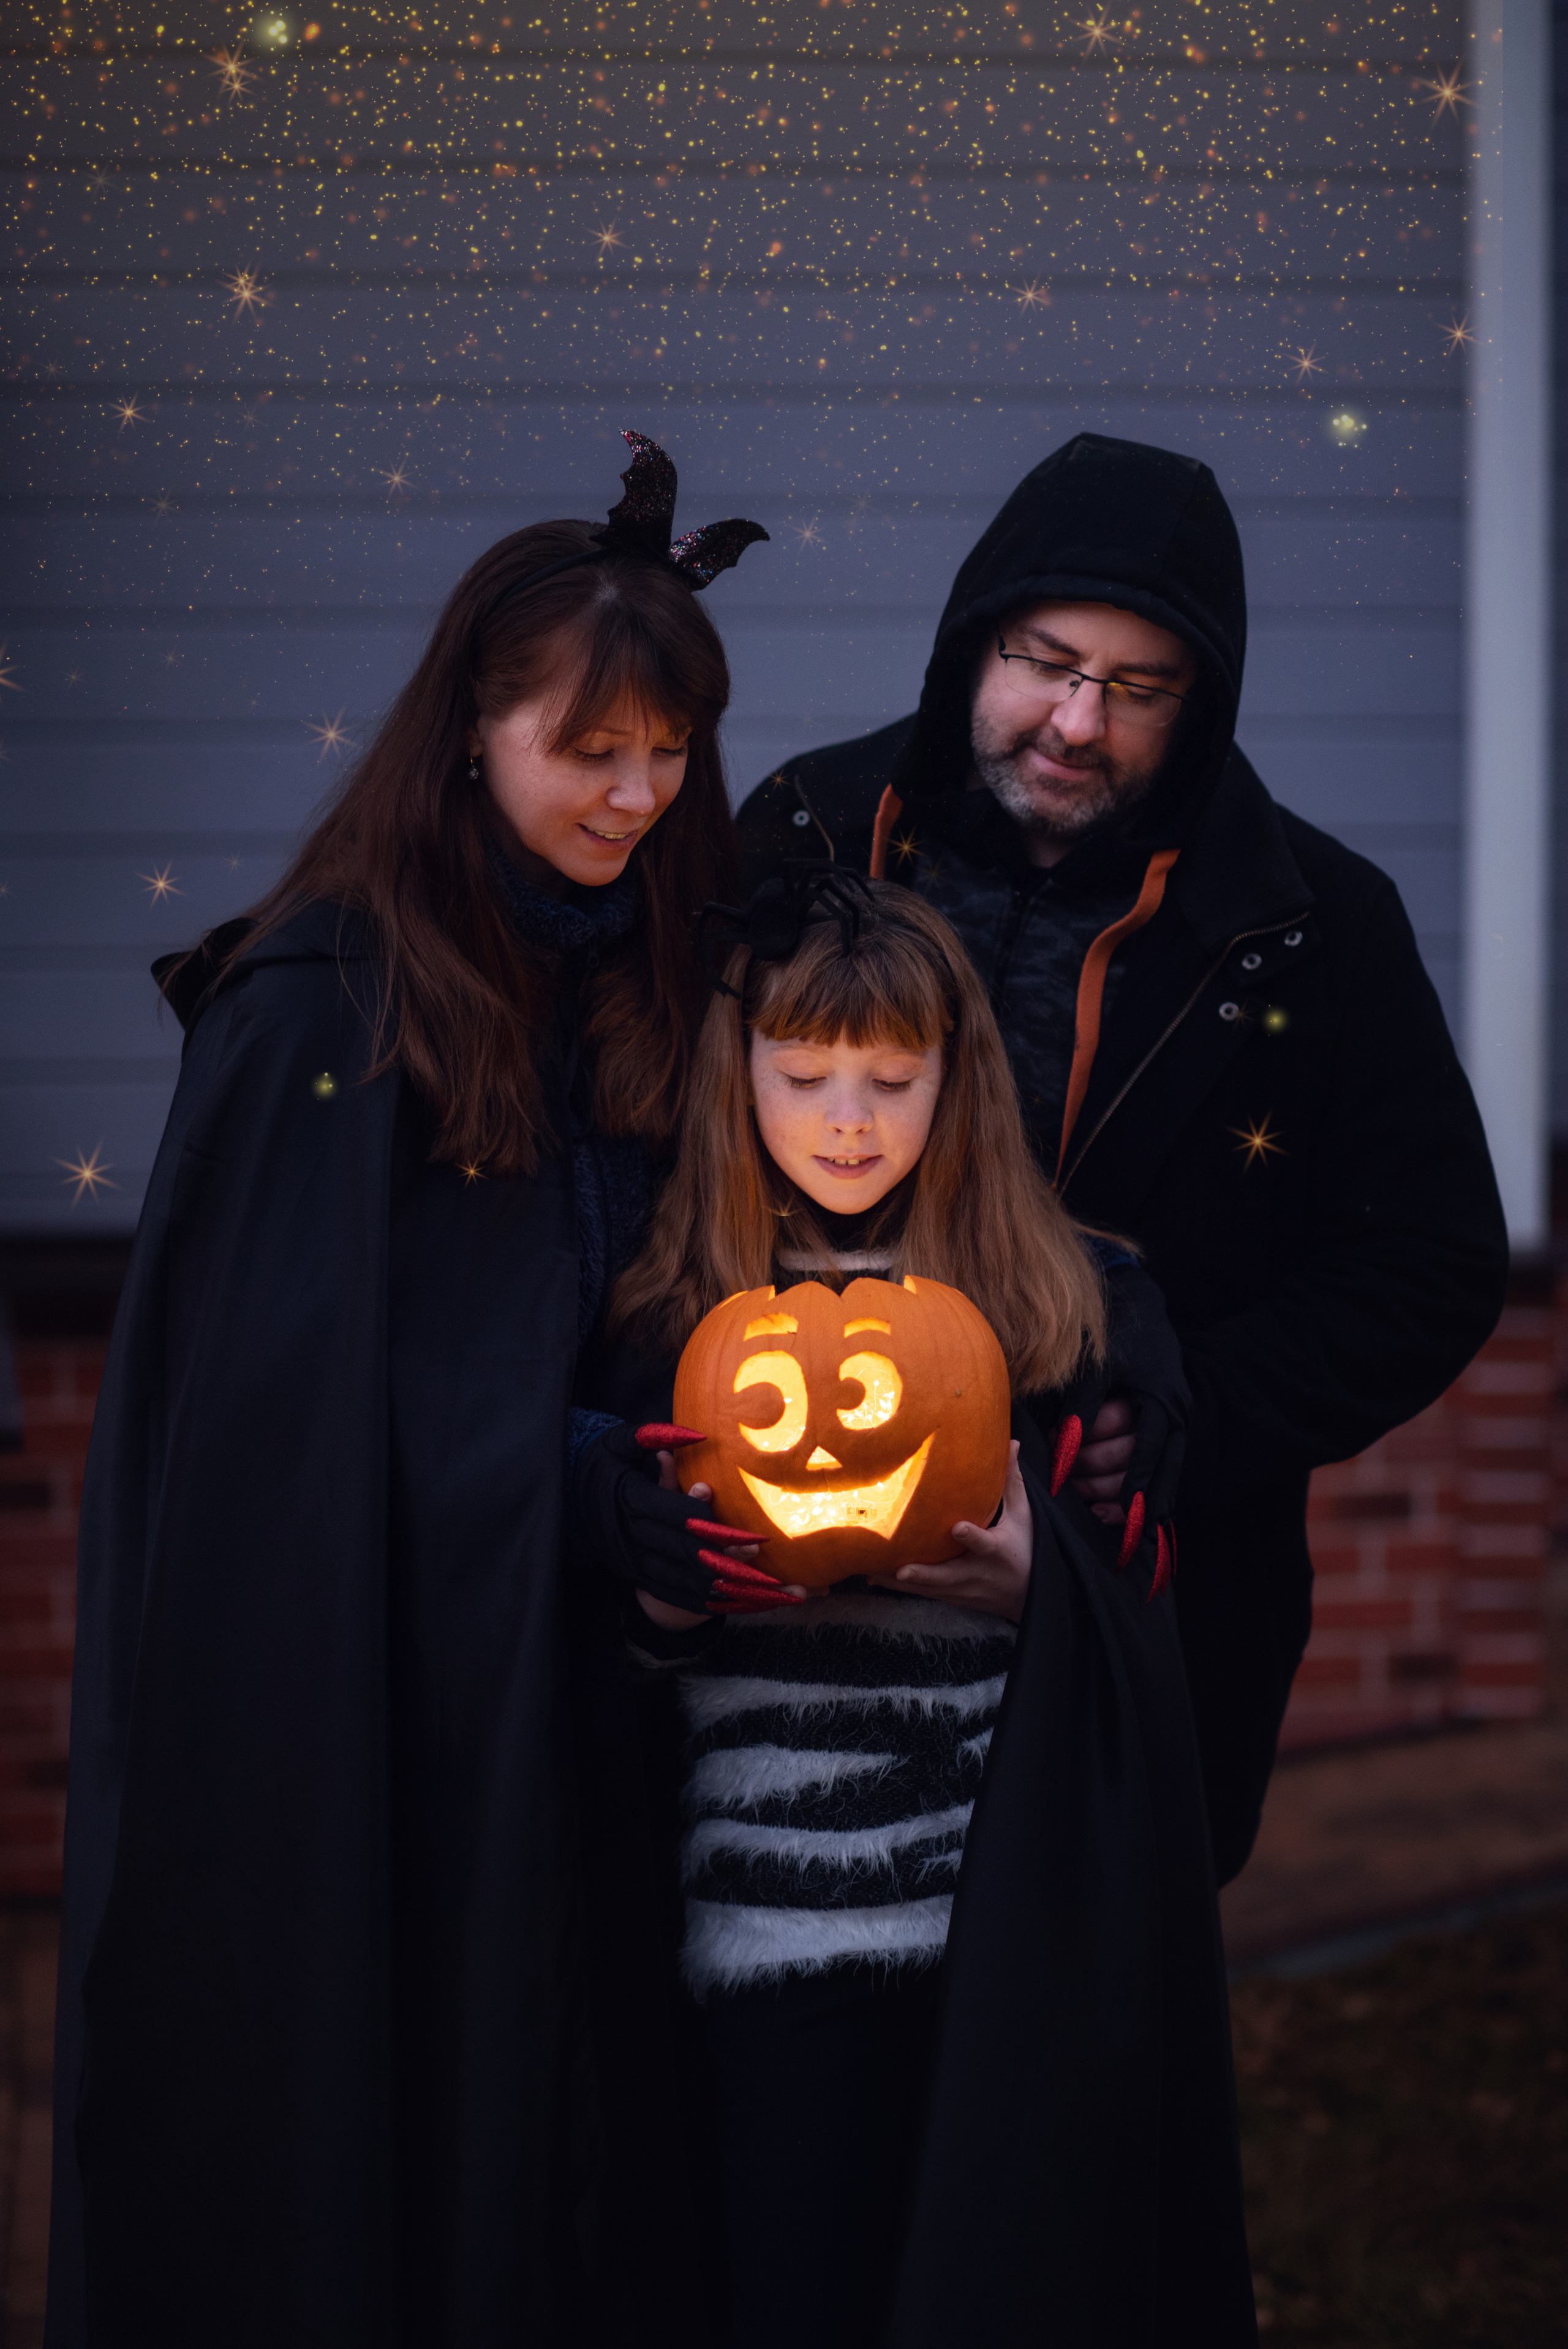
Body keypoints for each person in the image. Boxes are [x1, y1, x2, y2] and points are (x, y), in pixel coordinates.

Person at [47, 435, 790, 2347]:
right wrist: (579, 1478)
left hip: (609, 1712)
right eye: (590, 751)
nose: (637, 798)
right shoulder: (323, 1002)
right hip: (388, 1737)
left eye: (671, 754)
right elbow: (281, 1440)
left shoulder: (645, 976)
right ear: (476, 723)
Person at [734, 431, 1509, 1882]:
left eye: (1135, 688)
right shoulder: (808, 834)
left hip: (1140, 1604)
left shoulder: (1310, 925)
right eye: (1043, 660)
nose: (1076, 721)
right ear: (973, 642)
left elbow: (1430, 1261)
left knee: (1076, 2065)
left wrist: (1185, 1420)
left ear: (1195, 707)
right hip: (796, 1582)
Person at [600, 874, 1256, 2349]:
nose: (848, 1118)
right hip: (773, 1917)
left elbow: (1143, 1613)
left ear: (955, 1082)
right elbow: (615, 1649)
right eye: (806, 1075)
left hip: (1007, 1903)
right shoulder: (669, 1315)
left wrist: (1042, 1589)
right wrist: (664, 1591)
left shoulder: (1070, 1306)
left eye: (892, 1079)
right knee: (802, 2287)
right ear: (739, 1077)